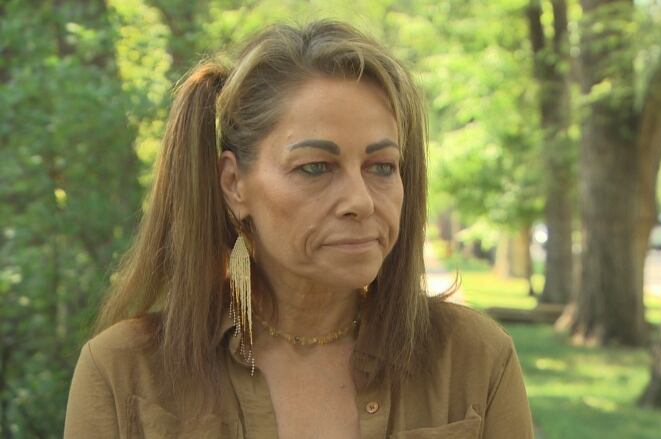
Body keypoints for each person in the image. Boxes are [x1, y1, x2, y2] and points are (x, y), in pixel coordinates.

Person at [64, 20, 533, 438]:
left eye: (383, 166)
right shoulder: (124, 375)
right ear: (234, 184)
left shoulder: (475, 361)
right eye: (315, 168)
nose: (360, 201)